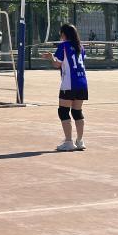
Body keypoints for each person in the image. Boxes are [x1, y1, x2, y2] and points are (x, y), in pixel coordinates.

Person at [42, 24, 88, 152]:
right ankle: (80, 141)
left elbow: (57, 64)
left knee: (63, 111)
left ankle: (68, 142)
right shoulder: (80, 46)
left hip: (69, 84)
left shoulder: (63, 46)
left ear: (63, 34)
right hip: (82, 83)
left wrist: (51, 58)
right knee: (77, 112)